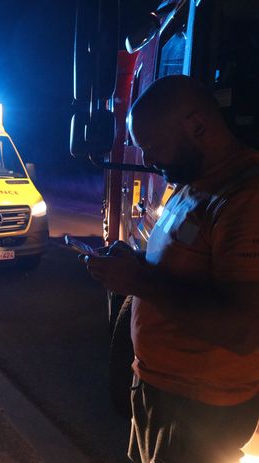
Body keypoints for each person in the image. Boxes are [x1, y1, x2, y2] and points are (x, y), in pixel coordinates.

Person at [81, 75, 259, 463]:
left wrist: (138, 280)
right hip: (161, 388)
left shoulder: (246, 198)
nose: (146, 160)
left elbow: (244, 330)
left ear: (197, 126)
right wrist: (132, 264)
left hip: (201, 407)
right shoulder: (191, 184)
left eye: (151, 145)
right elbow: (180, 269)